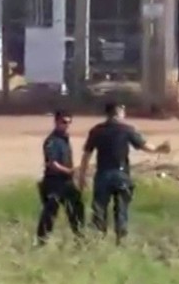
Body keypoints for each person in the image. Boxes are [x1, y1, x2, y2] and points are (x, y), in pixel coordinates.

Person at [77, 102, 170, 244]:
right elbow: (146, 147)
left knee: (99, 209)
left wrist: (82, 176)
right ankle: (121, 240)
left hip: (103, 175)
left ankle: (98, 239)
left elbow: (86, 155)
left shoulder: (96, 130)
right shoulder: (127, 130)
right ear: (118, 112)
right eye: (123, 110)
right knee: (121, 209)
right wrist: (160, 149)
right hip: (121, 175)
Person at [36, 110, 85, 245]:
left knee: (76, 209)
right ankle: (41, 241)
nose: (67, 125)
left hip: (67, 181)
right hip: (54, 182)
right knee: (50, 213)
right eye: (64, 122)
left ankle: (80, 238)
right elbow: (52, 164)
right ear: (56, 122)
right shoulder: (52, 141)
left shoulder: (65, 139)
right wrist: (70, 171)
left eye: (69, 122)